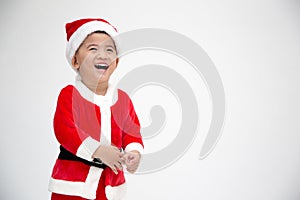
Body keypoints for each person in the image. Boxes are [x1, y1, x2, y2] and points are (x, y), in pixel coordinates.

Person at [48, 18, 144, 200]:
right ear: (76, 61)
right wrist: (98, 151)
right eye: (93, 49)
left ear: (116, 62)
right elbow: (65, 131)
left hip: (110, 186)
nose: (103, 55)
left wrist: (134, 153)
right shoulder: (70, 95)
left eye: (110, 50)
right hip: (73, 185)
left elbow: (132, 132)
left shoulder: (122, 99)